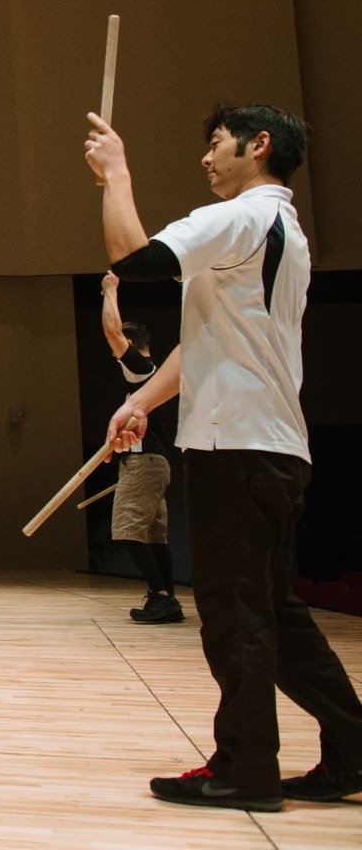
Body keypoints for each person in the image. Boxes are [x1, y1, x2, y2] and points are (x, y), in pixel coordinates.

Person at [89, 102, 362, 811]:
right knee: (273, 610)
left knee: (234, 613)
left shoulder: (246, 215)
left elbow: (137, 258)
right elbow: (207, 339)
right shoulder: (282, 229)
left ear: (258, 145)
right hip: (270, 446)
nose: (207, 159)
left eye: (216, 144)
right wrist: (142, 400)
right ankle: (355, 744)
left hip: (237, 446)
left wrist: (117, 172)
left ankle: (246, 768)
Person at [98, 275, 181, 624]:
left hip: (144, 463)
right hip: (155, 463)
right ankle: (165, 598)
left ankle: (161, 596)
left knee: (127, 530)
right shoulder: (153, 376)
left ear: (131, 345)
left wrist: (110, 291)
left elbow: (112, 332)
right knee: (152, 535)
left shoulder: (142, 370)